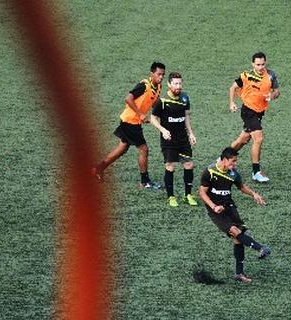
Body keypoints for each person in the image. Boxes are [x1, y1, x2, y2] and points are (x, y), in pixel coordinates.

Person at [199, 147, 271, 283]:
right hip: (215, 209)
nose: (235, 164)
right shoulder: (210, 171)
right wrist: (213, 207)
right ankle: (260, 248)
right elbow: (202, 192)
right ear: (224, 160)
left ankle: (239, 274)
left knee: (237, 238)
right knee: (234, 230)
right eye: (233, 161)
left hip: (229, 206)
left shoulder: (233, 173)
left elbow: (241, 186)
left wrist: (254, 194)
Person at [92, 62, 166, 189]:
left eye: (163, 75)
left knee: (122, 148)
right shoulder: (144, 85)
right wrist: (141, 114)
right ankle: (144, 181)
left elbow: (154, 103)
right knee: (144, 149)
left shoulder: (158, 87)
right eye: (159, 74)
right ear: (152, 74)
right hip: (130, 121)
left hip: (132, 121)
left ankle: (97, 169)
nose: (161, 77)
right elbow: (128, 98)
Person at [229, 52, 280, 183]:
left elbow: (276, 91)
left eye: (263, 64)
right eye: (258, 64)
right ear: (253, 64)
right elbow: (233, 87)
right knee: (258, 138)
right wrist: (232, 103)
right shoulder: (246, 75)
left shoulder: (271, 75)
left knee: (242, 140)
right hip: (248, 111)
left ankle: (223, 159)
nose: (260, 67)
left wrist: (272, 96)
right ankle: (256, 172)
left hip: (259, 112)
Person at [150, 71, 198, 207]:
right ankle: (171, 196)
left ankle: (187, 195)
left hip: (183, 139)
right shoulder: (162, 101)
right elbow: (153, 118)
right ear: (169, 84)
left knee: (188, 164)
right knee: (170, 166)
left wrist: (191, 134)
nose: (178, 86)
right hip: (169, 140)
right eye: (175, 84)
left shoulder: (184, 98)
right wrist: (163, 130)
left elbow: (186, 116)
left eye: (180, 83)